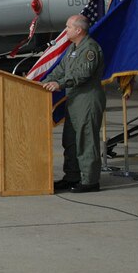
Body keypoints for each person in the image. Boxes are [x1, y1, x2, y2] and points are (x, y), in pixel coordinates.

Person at [42, 14, 106, 193]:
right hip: (73, 100)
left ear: (79, 30)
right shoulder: (72, 49)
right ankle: (72, 176)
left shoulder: (90, 49)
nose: (66, 30)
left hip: (87, 99)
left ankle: (90, 180)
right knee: (70, 140)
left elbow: (81, 74)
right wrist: (41, 83)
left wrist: (59, 85)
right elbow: (59, 71)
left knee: (86, 140)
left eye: (68, 27)